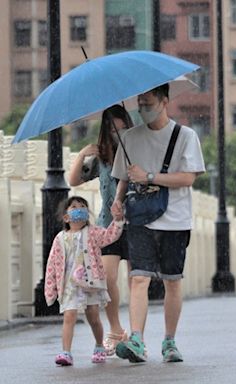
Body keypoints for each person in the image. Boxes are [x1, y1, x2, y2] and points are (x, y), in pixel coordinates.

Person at [111, 83, 205, 363]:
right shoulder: (129, 137)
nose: (143, 109)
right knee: (138, 277)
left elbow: (188, 178)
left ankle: (169, 341)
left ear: (165, 101)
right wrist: (117, 201)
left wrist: (150, 176)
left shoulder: (186, 136)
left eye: (149, 103)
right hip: (140, 218)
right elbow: (124, 177)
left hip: (175, 220)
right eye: (140, 104)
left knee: (172, 282)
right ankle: (137, 339)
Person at [68, 104, 134, 356]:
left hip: (136, 222)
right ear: (105, 131)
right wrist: (82, 154)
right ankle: (116, 331)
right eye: (112, 128)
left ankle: (137, 334)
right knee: (106, 279)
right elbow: (73, 180)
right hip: (108, 226)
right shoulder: (102, 159)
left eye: (121, 127)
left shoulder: (136, 152)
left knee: (136, 279)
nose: (117, 133)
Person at [44, 196, 125, 366]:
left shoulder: (94, 233)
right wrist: (51, 289)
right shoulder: (60, 239)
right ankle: (66, 352)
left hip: (90, 284)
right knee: (69, 316)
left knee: (94, 318)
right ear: (66, 217)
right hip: (69, 286)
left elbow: (109, 236)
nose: (79, 209)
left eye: (83, 207)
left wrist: (117, 221)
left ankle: (98, 346)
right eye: (74, 207)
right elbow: (52, 264)